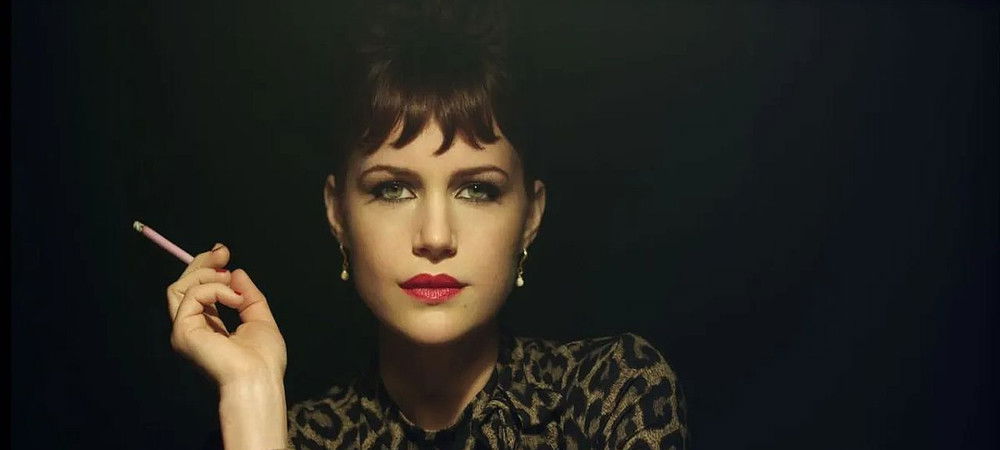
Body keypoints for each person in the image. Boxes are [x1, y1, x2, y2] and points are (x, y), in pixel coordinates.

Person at [166, 1, 689, 448]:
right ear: (337, 213)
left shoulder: (612, 393)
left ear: (530, 216)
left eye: (477, 190)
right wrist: (250, 390)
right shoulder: (294, 437)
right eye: (393, 189)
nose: (435, 238)